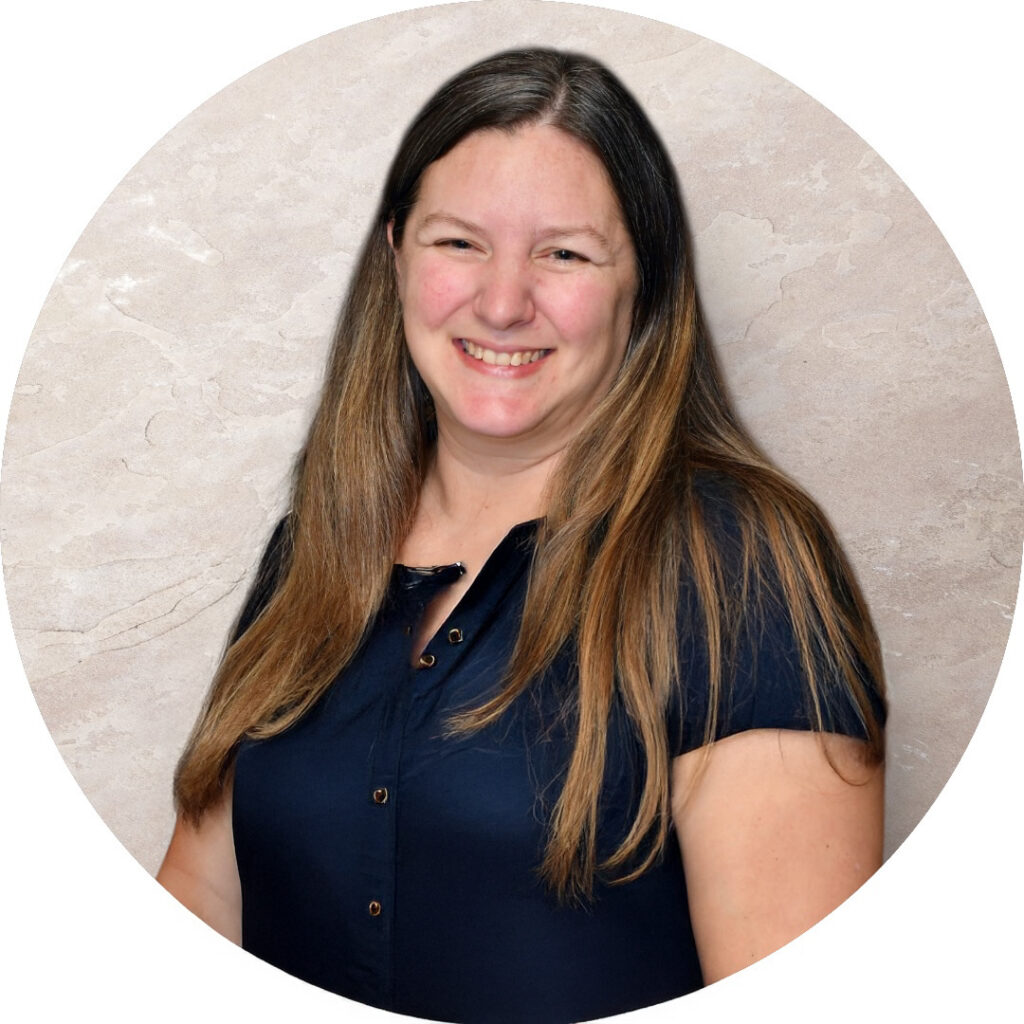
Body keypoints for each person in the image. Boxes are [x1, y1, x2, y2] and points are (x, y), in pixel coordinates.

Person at [157, 48, 886, 1024]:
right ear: (395, 258)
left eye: (565, 253)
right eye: (459, 242)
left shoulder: (745, 571)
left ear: (645, 289)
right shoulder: (314, 549)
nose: (502, 302)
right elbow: (196, 909)